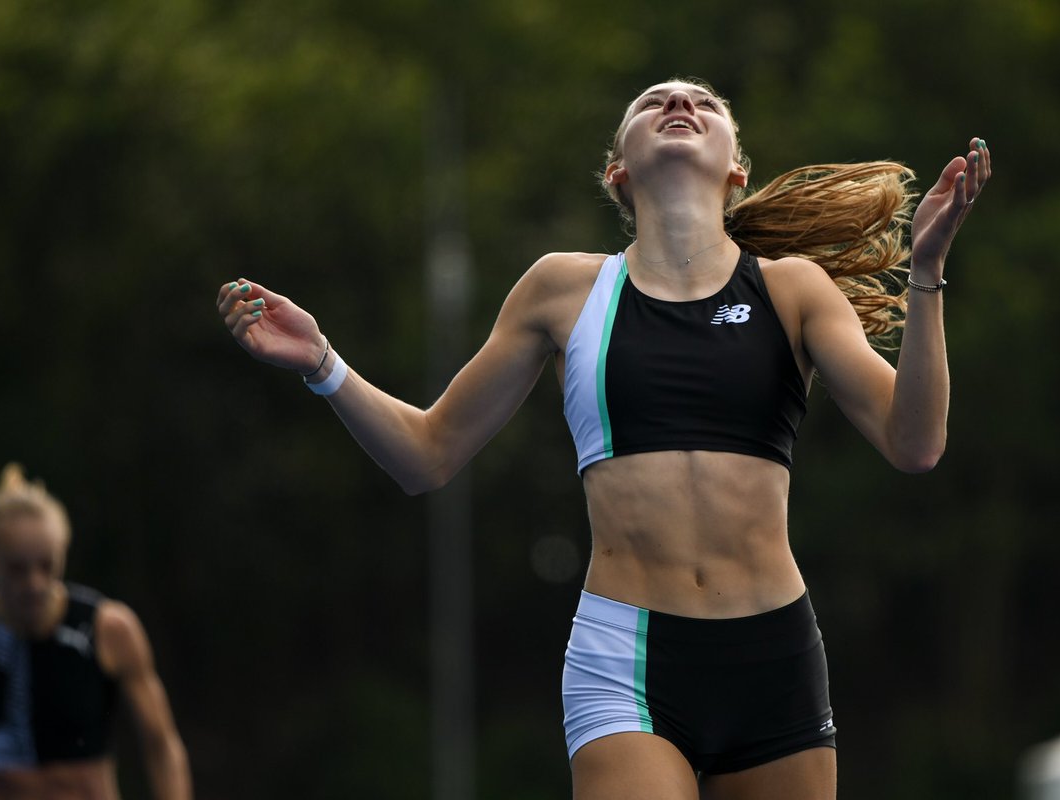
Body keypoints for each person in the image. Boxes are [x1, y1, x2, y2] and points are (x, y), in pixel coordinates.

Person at [215, 78, 989, 799]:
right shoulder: (564, 289)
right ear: (619, 170)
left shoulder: (792, 289)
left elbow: (914, 442)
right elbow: (426, 455)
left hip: (773, 656)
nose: (681, 103)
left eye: (705, 103)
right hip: (627, 660)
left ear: (737, 171)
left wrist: (926, 272)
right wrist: (322, 362)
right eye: (656, 101)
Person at [0, 464, 193, 800]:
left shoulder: (108, 629)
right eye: (17, 568)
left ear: (63, 551)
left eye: (46, 565)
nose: (34, 584)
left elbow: (162, 745)